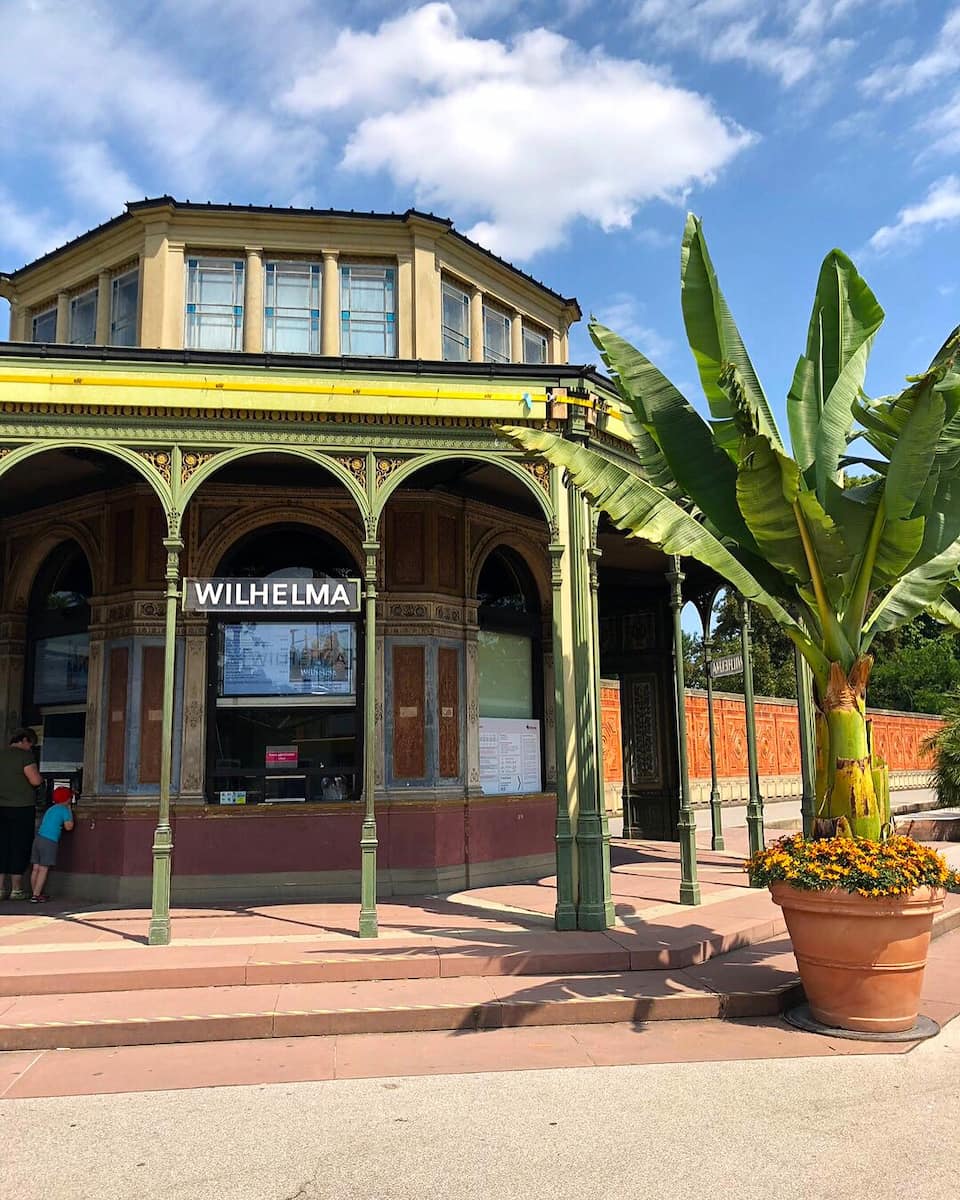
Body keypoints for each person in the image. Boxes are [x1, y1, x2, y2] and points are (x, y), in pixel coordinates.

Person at [0, 728, 42, 901]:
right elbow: (35, 780)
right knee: (19, 845)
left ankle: (0, 888)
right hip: (21, 807)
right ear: (25, 740)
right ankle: (16, 889)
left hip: (1, 807)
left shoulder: (1, 755)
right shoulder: (25, 756)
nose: (30, 748)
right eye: (30, 744)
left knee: (2, 845)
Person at [29, 785, 75, 902]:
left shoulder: (51, 809)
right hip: (49, 841)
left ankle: (34, 892)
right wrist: (69, 810)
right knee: (44, 869)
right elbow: (69, 826)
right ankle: (36, 895)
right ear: (68, 799)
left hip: (38, 838)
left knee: (36, 868)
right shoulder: (64, 810)